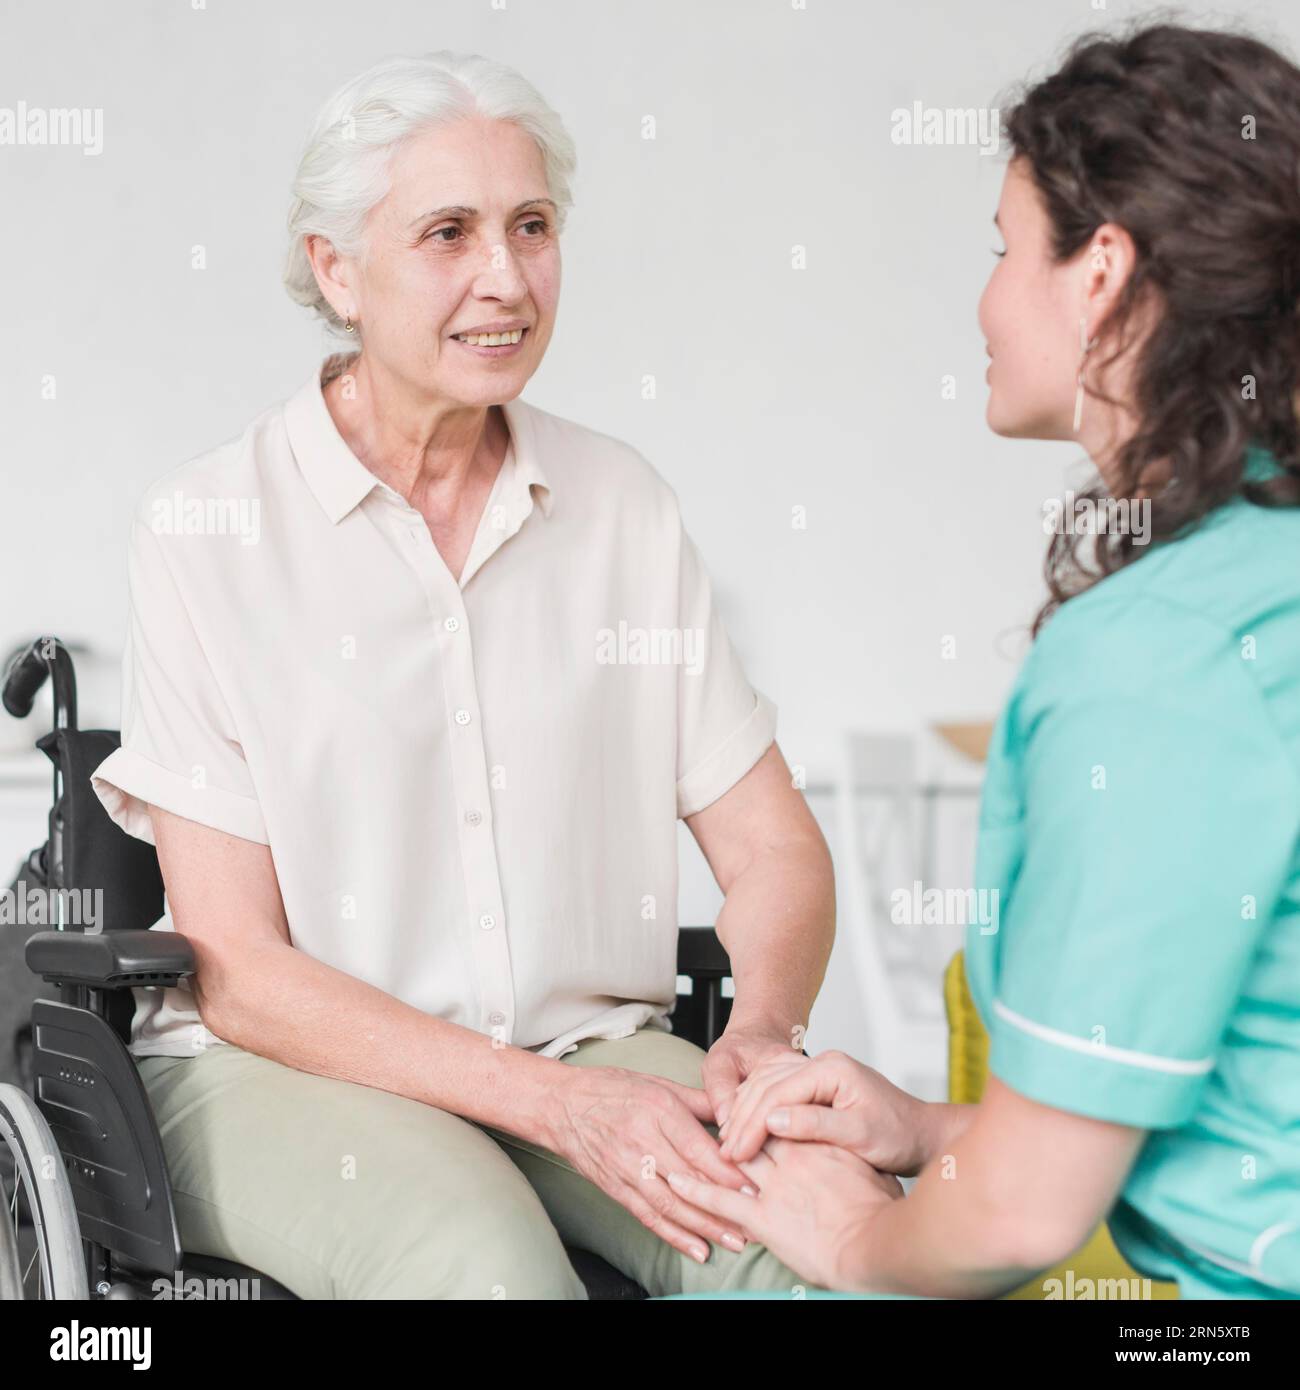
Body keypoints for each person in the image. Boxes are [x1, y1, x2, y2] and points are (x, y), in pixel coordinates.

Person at [90, 50, 836, 1299]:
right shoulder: (208, 527)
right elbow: (239, 967)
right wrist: (550, 1107)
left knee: (826, 1239)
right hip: (289, 1076)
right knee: (486, 1273)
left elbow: (774, 852)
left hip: (587, 1046)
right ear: (337, 269)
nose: (507, 277)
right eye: (449, 233)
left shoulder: (623, 511)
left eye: (531, 226)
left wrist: (757, 1033)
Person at [673, 22, 1300, 1301]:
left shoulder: (1155, 660)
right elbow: (1239, 1129)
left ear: (1101, 274)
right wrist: (923, 1131)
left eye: (1006, 250)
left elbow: (1019, 1216)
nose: (983, 299)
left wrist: (854, 1237)